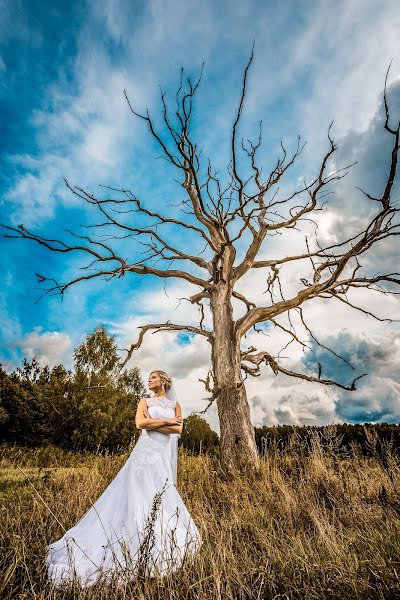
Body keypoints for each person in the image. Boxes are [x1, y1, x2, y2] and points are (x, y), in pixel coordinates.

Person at [45, 369, 201, 587]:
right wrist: (165, 423)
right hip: (143, 455)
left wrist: (154, 422)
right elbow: (140, 424)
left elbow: (179, 428)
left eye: (153, 378)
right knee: (137, 496)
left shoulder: (175, 405)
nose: (149, 380)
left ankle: (155, 539)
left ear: (164, 382)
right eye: (149, 378)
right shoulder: (144, 401)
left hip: (160, 457)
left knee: (159, 494)